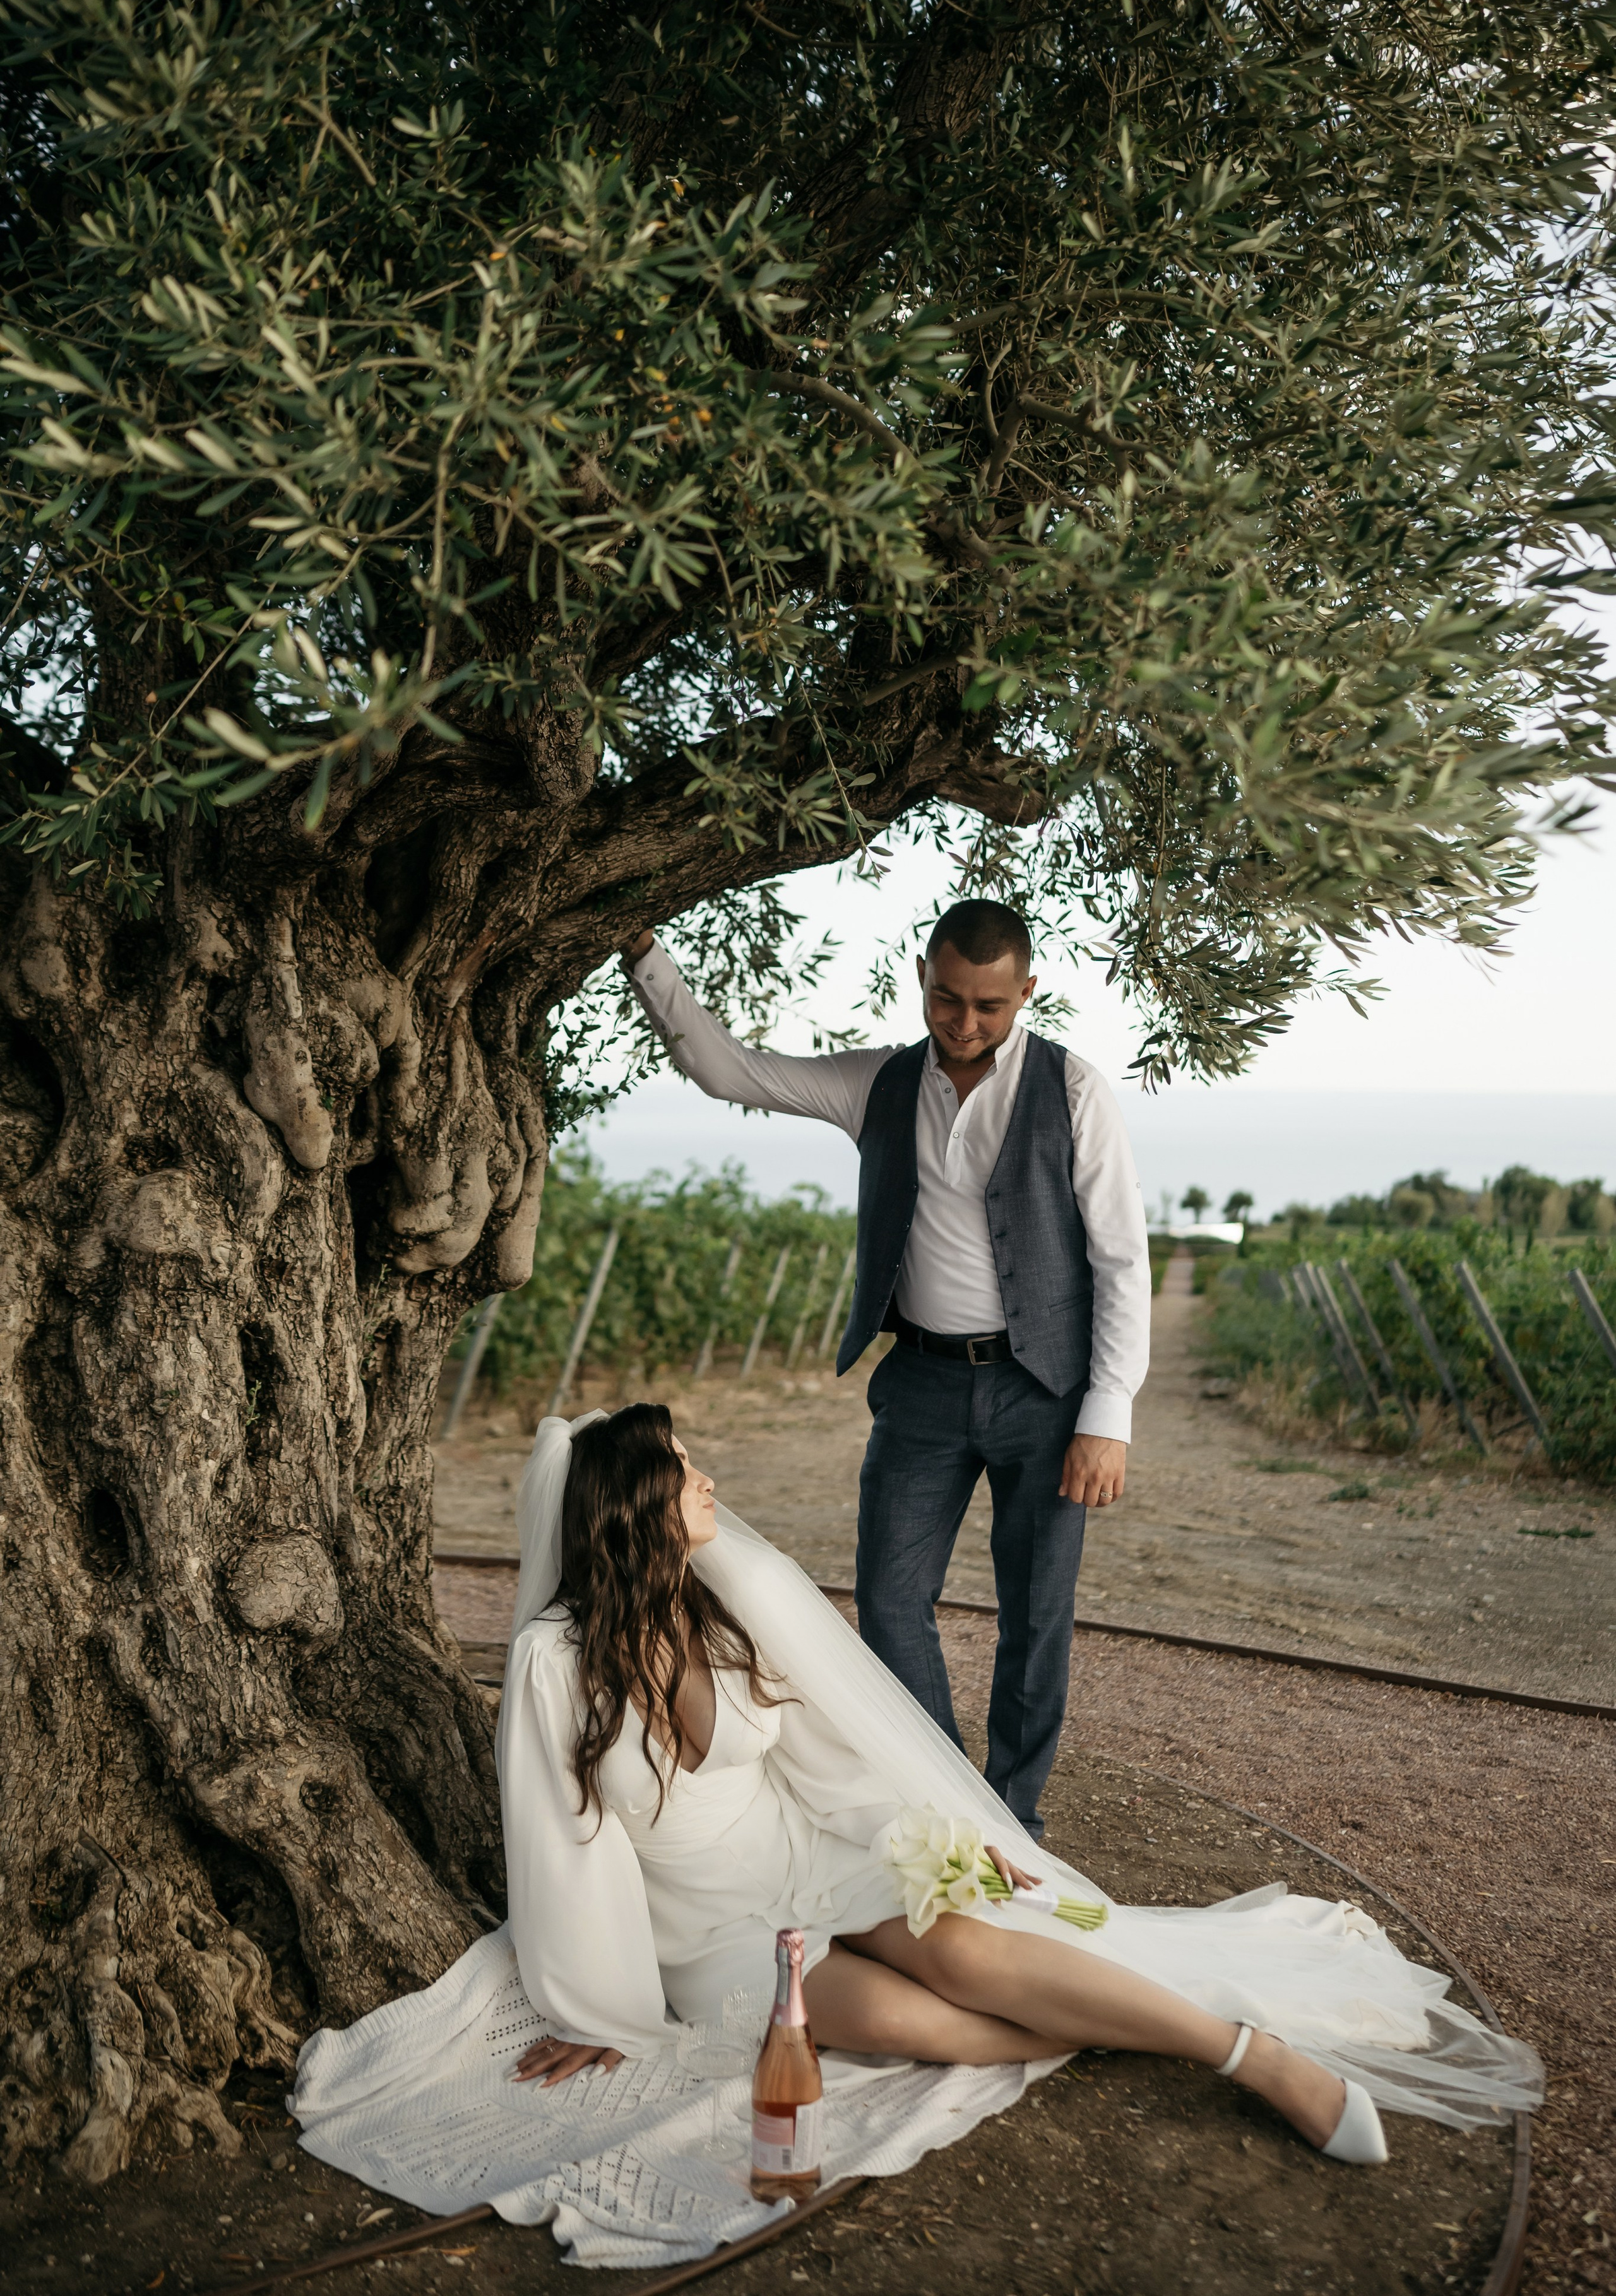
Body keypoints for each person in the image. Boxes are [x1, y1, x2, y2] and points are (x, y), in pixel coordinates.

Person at [489, 1407, 1537, 2159]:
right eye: (681, 1464)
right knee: (903, 2024)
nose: (706, 1478)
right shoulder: (553, 1663)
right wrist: (603, 2007)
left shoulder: (725, 1612)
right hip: (707, 1928)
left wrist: (931, 1829)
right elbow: (565, 1842)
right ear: (633, 1506)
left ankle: (1253, 2057)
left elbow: (827, 1758)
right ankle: (1140, 2029)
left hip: (812, 1853)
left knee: (967, 1949)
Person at [622, 899, 1151, 1841]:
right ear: (923, 978)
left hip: (1048, 1395)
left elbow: (1121, 1259)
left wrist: (1107, 1415)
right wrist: (640, 948)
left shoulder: (1074, 1091)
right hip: (922, 1388)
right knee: (891, 1601)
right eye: (948, 999)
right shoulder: (878, 1083)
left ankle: (1015, 1820)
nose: (966, 1023)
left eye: (990, 1006)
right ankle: (951, 1807)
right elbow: (722, 1069)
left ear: (1026, 992)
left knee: (1037, 1616)